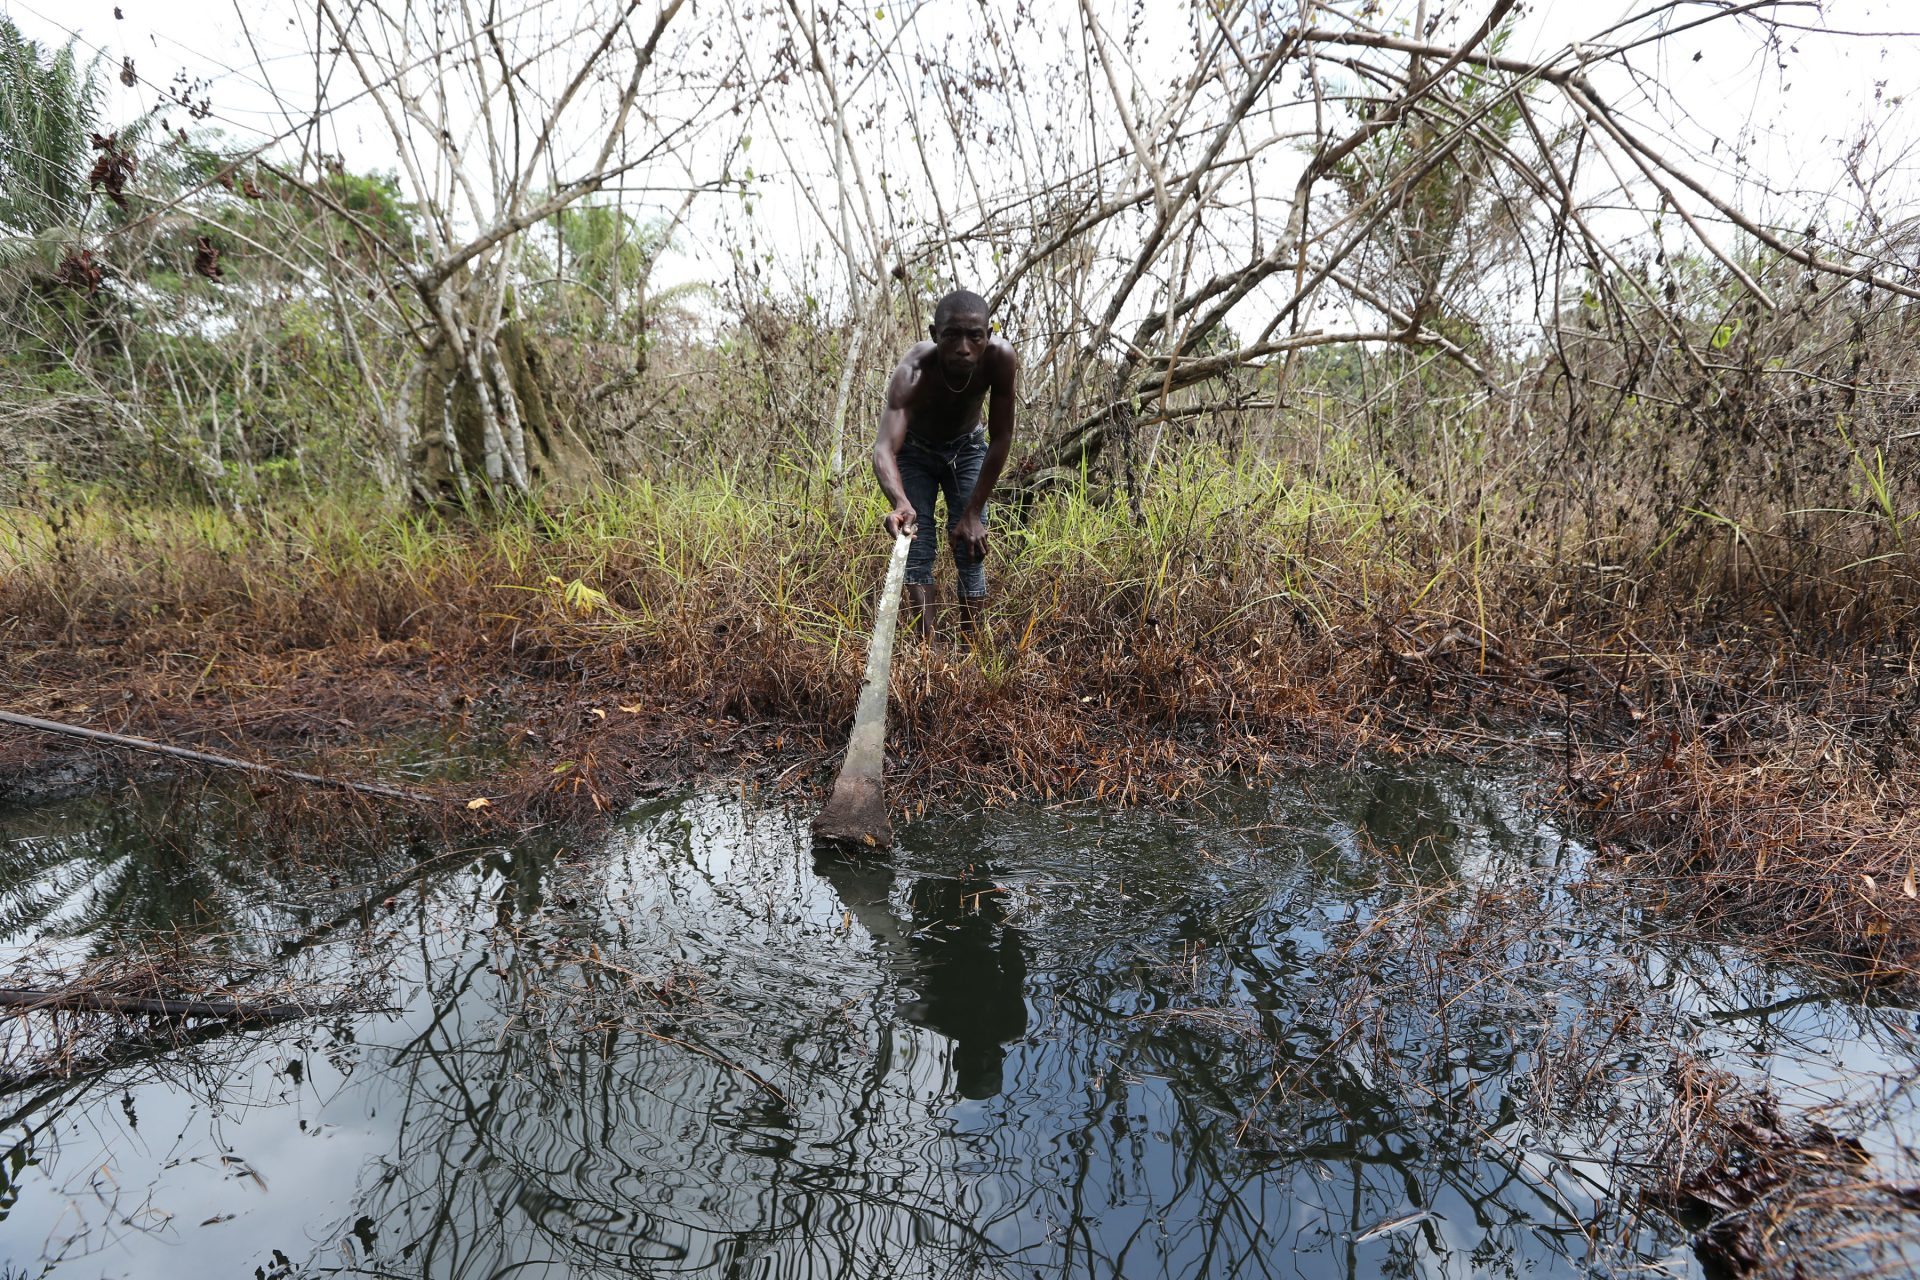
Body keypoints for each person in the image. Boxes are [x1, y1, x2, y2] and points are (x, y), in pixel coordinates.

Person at [873, 289, 1018, 639]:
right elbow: (884, 448)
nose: (963, 348)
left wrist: (973, 512)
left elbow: (1001, 437)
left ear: (989, 335)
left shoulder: (1000, 359)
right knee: (915, 540)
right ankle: (929, 653)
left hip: (968, 448)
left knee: (971, 543)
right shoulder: (913, 370)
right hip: (915, 452)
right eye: (952, 335)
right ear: (935, 334)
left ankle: (971, 648)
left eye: (975, 336)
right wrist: (900, 502)